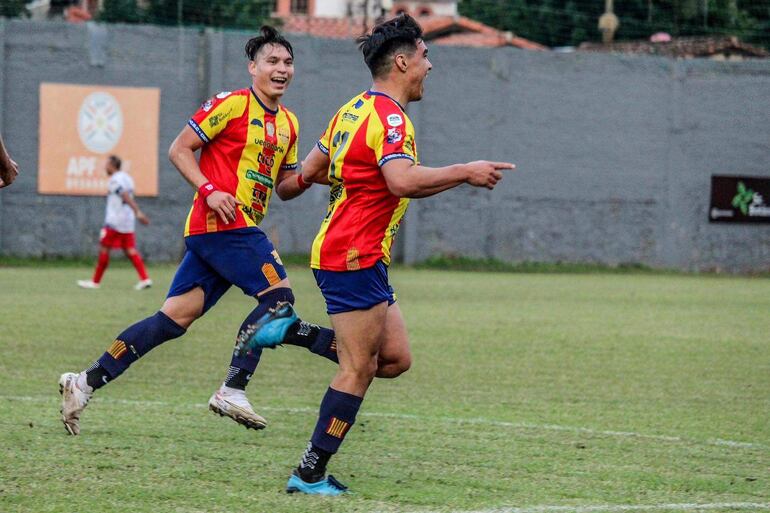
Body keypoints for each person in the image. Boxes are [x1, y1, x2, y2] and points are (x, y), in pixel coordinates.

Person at [239, 14, 514, 496]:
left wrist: (314, 180)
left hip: (356, 252)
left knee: (395, 359)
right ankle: (309, 472)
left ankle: (293, 331)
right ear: (403, 61)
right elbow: (401, 180)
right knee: (359, 368)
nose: (431, 65)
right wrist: (464, 170)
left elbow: (314, 170)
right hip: (353, 253)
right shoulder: (391, 118)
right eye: (426, 55)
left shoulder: (352, 110)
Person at [59, 26, 339, 436]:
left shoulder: (290, 125)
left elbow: (284, 185)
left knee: (173, 319)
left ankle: (83, 382)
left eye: (288, 62)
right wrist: (208, 190)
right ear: (253, 67)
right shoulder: (230, 104)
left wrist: (319, 177)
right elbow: (179, 148)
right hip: (223, 224)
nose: (282, 69)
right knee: (278, 298)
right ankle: (232, 387)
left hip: (231, 231)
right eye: (272, 61)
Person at [77, 155, 153, 290]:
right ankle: (145, 279)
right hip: (127, 221)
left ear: (112, 165)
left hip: (115, 220)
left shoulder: (114, 180)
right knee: (130, 250)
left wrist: (138, 212)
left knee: (104, 248)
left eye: (106, 164)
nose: (105, 167)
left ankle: (95, 282)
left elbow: (124, 195)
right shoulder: (128, 178)